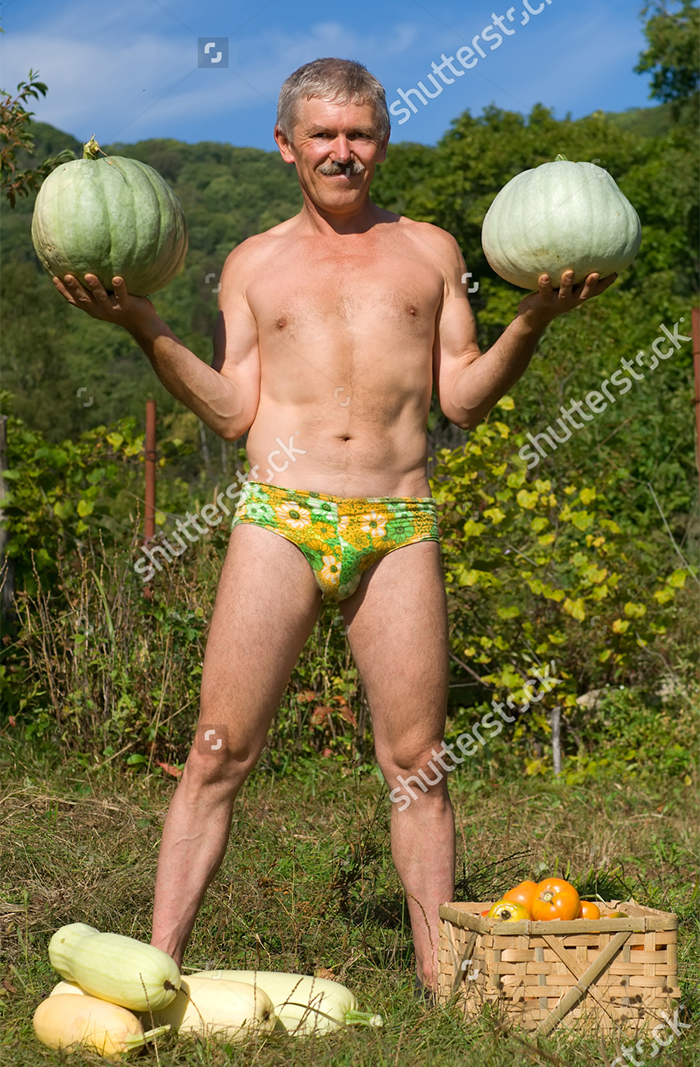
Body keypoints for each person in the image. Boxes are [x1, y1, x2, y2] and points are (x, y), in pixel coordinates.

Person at [52, 57, 616, 995]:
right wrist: (143, 322)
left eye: (358, 133)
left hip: (399, 520)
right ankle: (151, 971)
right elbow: (234, 411)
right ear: (287, 146)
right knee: (217, 750)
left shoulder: (431, 251)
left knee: (418, 763)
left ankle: (442, 989)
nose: (342, 151)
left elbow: (464, 398)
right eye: (323, 134)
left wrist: (535, 319)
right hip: (280, 514)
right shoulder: (253, 262)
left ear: (382, 143)